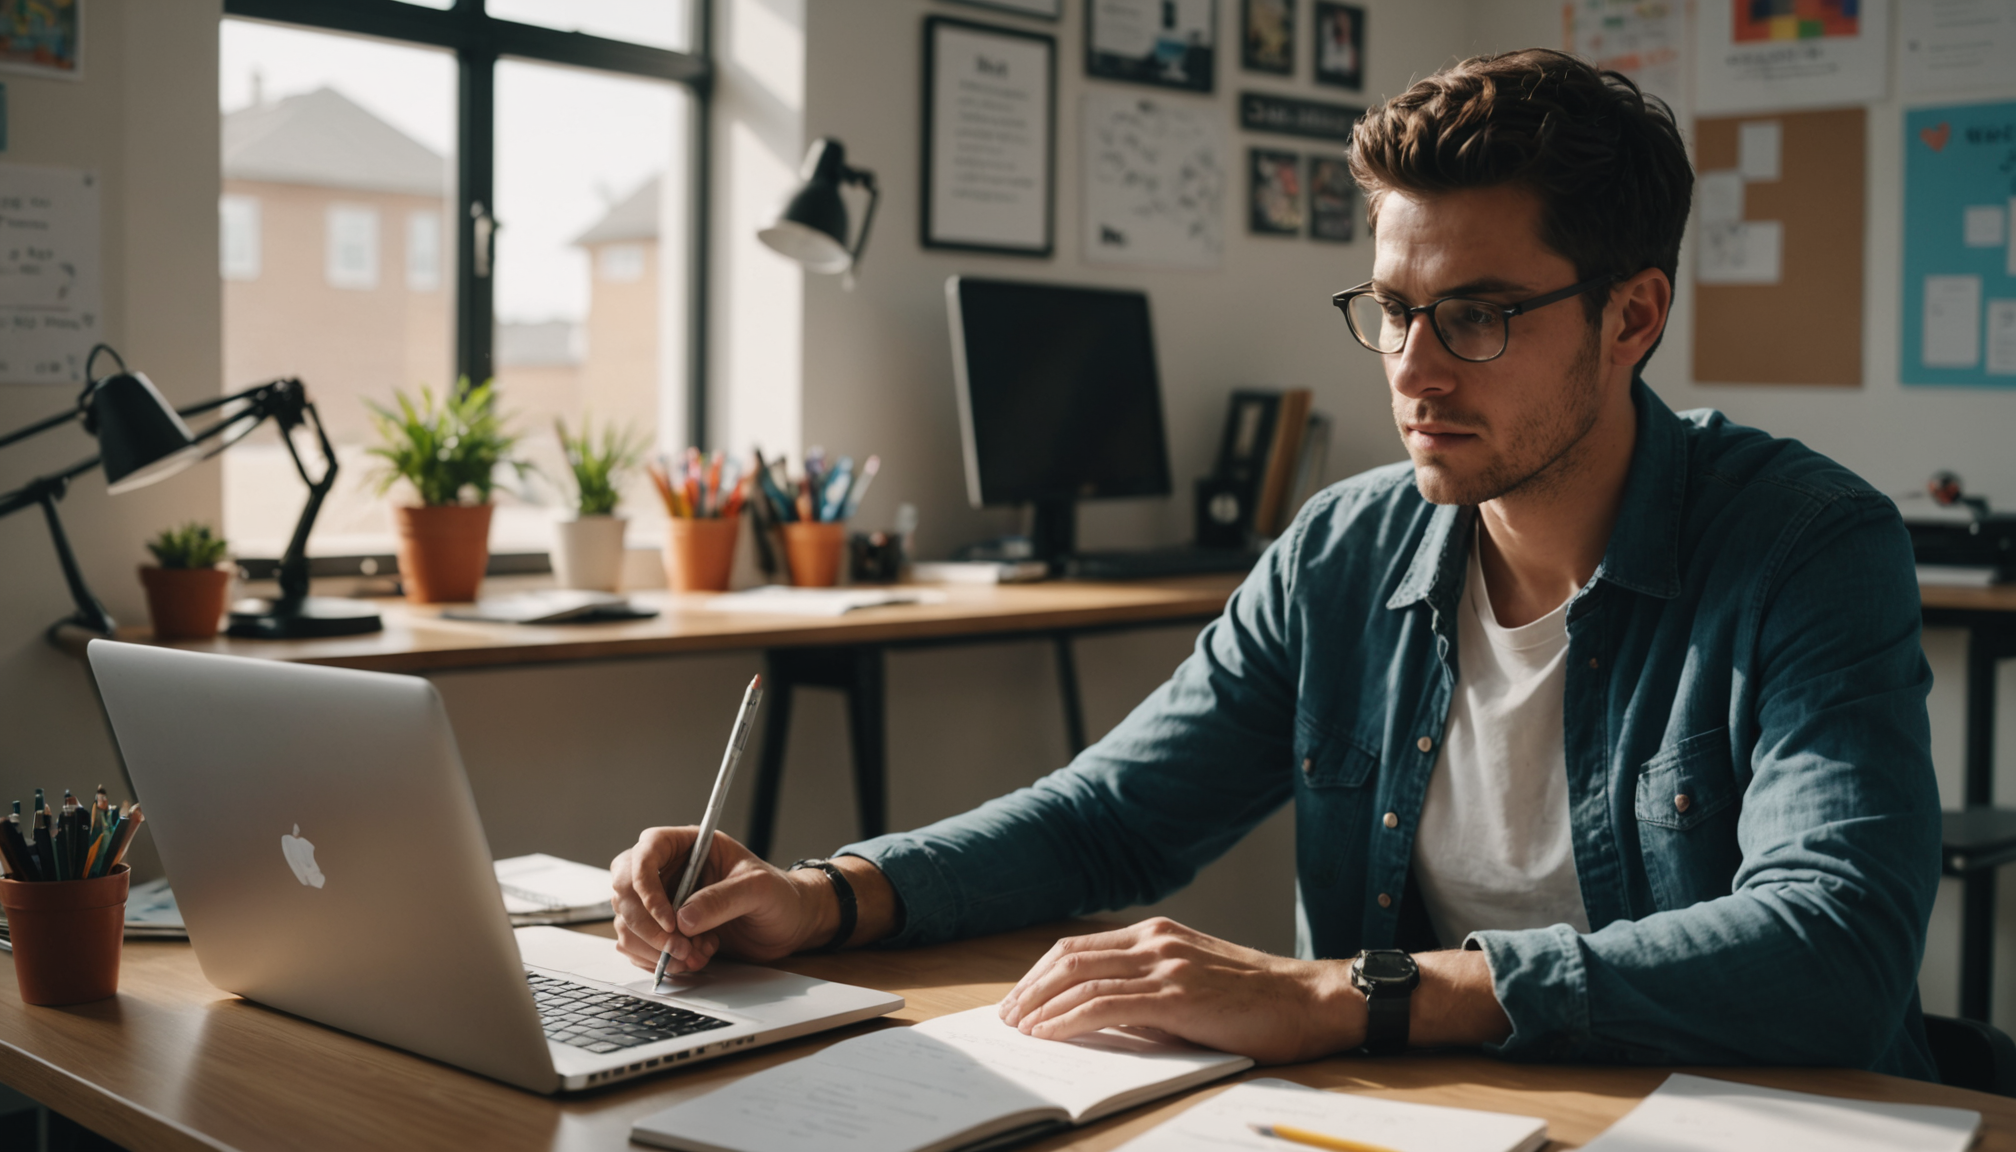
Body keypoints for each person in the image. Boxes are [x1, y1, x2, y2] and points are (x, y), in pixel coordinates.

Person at [612, 48, 1941, 1078]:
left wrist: (1345, 994)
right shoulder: (1346, 551)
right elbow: (1114, 816)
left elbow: (1837, 944)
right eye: (1397, 310)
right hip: (1432, 1122)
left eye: (1476, 316)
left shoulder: (1803, 547)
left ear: (1632, 316)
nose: (1413, 373)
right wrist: (824, 896)